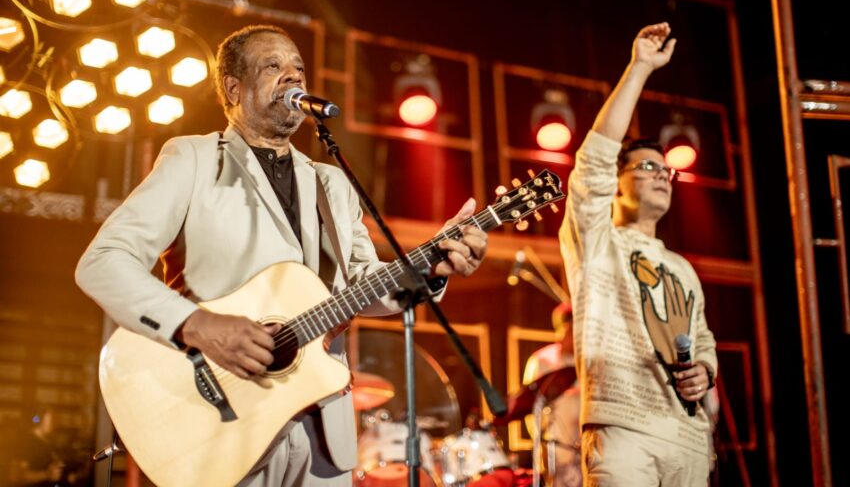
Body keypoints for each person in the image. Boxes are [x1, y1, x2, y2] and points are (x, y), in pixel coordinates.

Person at [75, 24, 488, 486]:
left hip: (322, 429)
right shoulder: (192, 159)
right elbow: (103, 261)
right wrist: (200, 326)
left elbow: (362, 285)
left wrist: (430, 265)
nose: (293, 78)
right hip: (221, 422)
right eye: (273, 67)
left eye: (299, 69)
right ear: (234, 88)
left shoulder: (331, 183)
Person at [558, 22, 718, 486]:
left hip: (688, 437)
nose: (662, 175)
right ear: (618, 183)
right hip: (624, 428)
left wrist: (705, 372)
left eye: (667, 169)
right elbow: (592, 164)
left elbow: (702, 338)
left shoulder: (684, 268)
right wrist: (640, 67)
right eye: (647, 166)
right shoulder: (597, 240)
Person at [522, 303, 581, 487]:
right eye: (571, 329)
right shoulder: (543, 360)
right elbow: (531, 407)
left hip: (588, 449)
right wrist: (543, 446)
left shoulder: (588, 360)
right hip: (559, 452)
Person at [5, 408, 66, 487]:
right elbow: (19, 475)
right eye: (51, 418)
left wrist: (56, 464)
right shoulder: (27, 441)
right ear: (40, 420)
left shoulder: (47, 441)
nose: (54, 422)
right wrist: (47, 474)